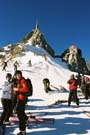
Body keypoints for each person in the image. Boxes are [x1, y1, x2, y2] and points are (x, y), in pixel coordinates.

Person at [13, 70, 28, 135]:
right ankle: (26, 120)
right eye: (17, 75)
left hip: (22, 100)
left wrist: (17, 89)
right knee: (20, 112)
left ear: (21, 75)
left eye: (19, 75)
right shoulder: (18, 81)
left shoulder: (22, 81)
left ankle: (22, 131)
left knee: (20, 114)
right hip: (20, 99)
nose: (18, 76)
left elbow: (26, 89)